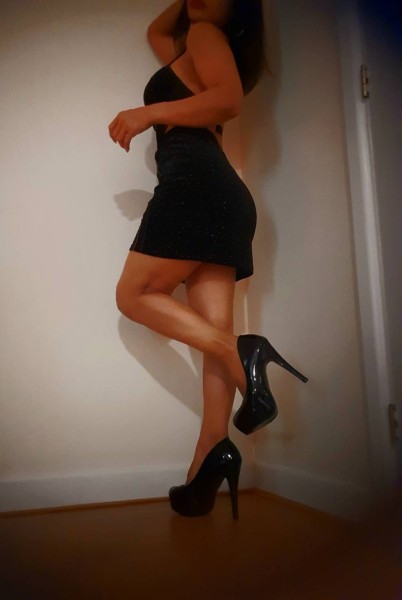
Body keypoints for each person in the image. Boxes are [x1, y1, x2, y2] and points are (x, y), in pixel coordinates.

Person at [109, 0, 308, 519]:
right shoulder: (189, 43)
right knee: (213, 329)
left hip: (194, 186)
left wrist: (148, 112)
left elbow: (228, 100)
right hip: (221, 197)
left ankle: (245, 353)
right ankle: (209, 456)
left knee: (134, 296)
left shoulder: (204, 36)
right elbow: (156, 31)